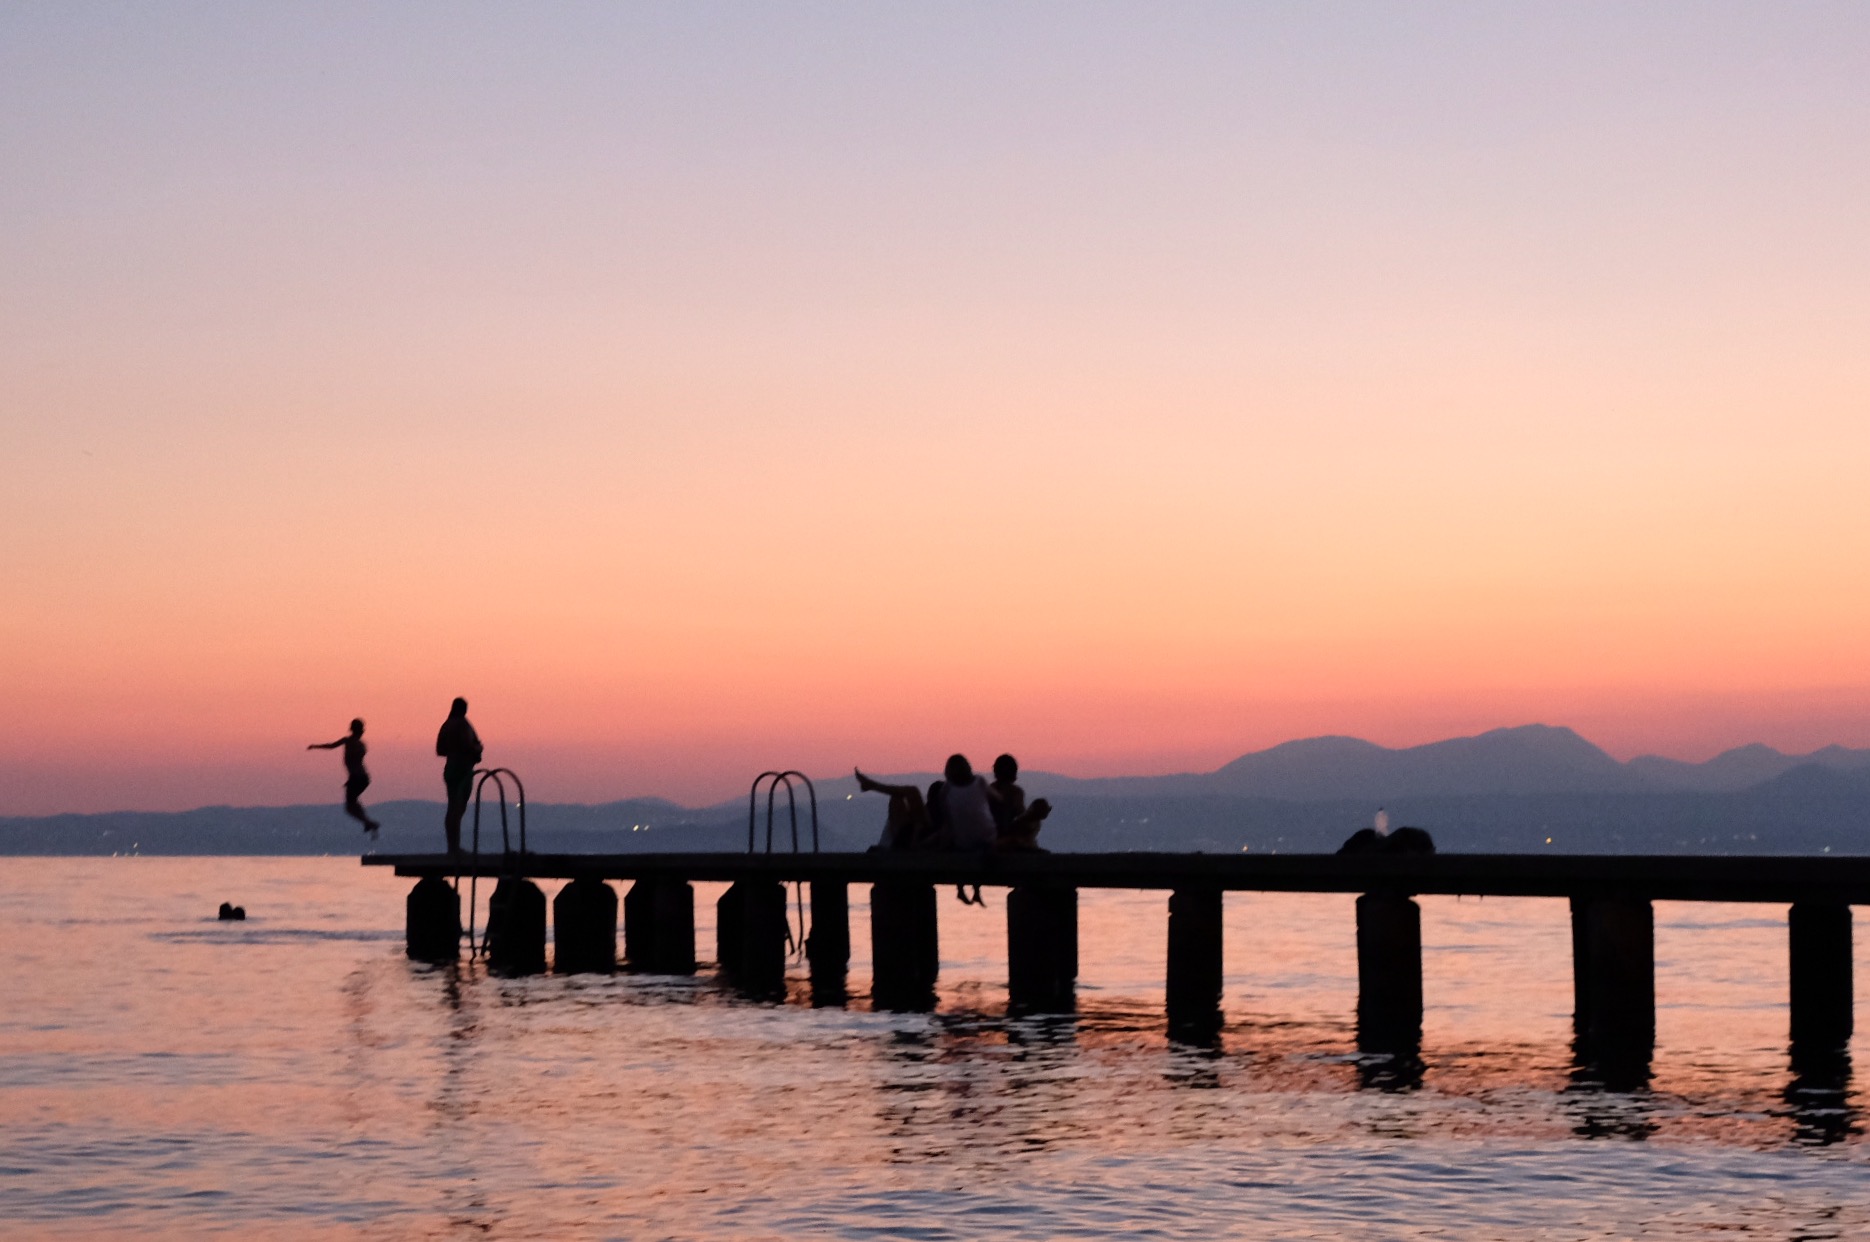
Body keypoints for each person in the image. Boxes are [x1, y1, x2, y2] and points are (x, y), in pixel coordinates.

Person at [307, 718, 380, 838]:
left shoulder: (349, 741)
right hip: (364, 778)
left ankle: (369, 823)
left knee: (350, 807)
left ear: (352, 730)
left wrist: (315, 746)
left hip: (356, 778)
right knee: (353, 803)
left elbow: (331, 746)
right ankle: (367, 822)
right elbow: (355, 760)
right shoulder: (361, 744)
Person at [435, 697, 483, 854]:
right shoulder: (462, 724)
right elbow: (467, 745)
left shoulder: (446, 725)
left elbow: (440, 749)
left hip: (450, 768)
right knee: (458, 808)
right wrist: (477, 749)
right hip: (462, 769)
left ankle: (452, 846)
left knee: (453, 807)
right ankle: (454, 847)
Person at [854, 768, 932, 850]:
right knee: (900, 796)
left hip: (899, 845)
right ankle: (871, 785)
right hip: (902, 842)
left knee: (902, 795)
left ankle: (871, 785)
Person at [987, 753, 1051, 851]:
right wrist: (1035, 814)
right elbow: (1020, 815)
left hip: (989, 835)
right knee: (1034, 823)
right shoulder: (1015, 792)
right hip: (1006, 835)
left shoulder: (989, 789)